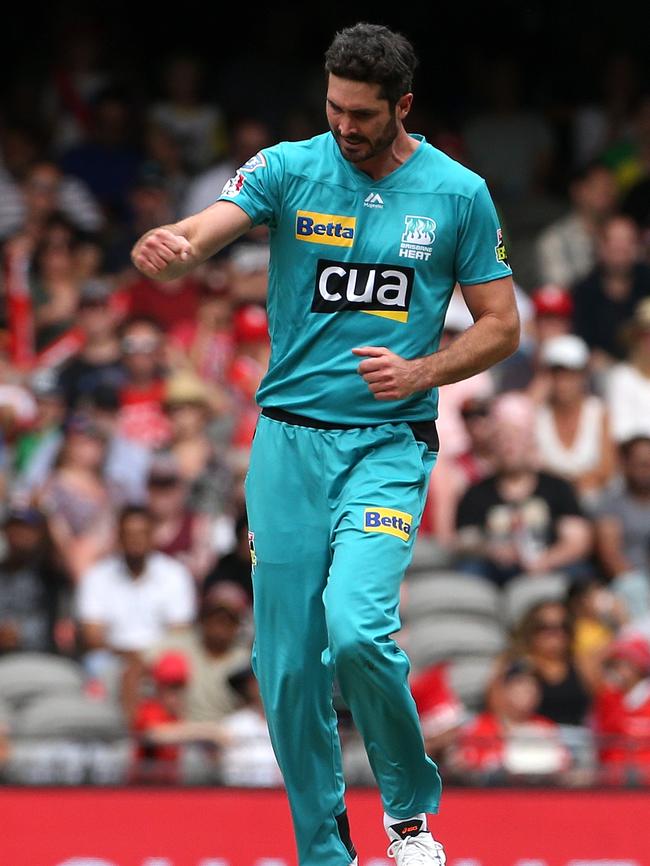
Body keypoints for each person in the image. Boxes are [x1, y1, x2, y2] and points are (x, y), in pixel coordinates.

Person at [131, 22, 520, 866]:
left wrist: (423, 373)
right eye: (336, 108)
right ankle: (324, 852)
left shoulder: (458, 194)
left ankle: (409, 816)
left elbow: (502, 328)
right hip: (286, 449)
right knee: (289, 675)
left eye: (364, 114)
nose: (346, 126)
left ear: (402, 107)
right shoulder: (289, 167)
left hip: (386, 442)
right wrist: (175, 247)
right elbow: (208, 227)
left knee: (356, 631)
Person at [455, 393, 592, 586]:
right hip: (496, 571)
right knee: (469, 572)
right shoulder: (476, 493)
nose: (509, 446)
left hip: (550, 567)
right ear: (492, 449)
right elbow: (463, 540)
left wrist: (547, 560)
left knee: (581, 575)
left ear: (531, 445)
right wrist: (491, 549)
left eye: (516, 438)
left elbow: (578, 539)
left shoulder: (557, 487)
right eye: (502, 439)